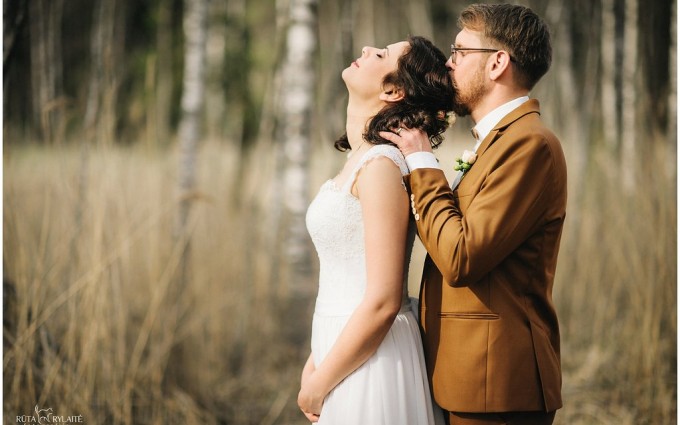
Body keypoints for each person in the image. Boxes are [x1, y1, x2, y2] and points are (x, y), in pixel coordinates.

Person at [380, 4, 567, 425]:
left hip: (496, 386)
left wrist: (423, 162)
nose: (449, 62)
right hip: (468, 375)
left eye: (461, 51)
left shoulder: (530, 145)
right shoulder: (497, 142)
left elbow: (461, 256)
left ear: (498, 62)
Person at [298, 36, 454, 424]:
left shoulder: (382, 167)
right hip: (343, 348)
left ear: (393, 90)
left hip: (374, 359)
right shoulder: (361, 159)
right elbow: (345, 275)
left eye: (382, 55)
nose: (367, 49)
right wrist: (316, 359)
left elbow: (384, 299)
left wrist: (320, 383)